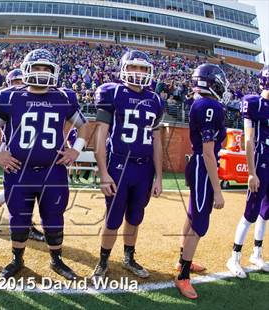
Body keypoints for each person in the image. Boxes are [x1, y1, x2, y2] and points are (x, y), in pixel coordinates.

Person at [0, 49, 89, 279]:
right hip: (19, 171)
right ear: (27, 69)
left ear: (55, 72)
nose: (42, 73)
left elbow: (84, 126)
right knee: (19, 218)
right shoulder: (11, 96)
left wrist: (75, 150)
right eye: (37, 68)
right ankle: (17, 259)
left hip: (52, 171)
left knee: (54, 217)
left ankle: (56, 260)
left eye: (46, 69)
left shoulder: (63, 97)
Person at [91, 50, 164, 281]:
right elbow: (100, 137)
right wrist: (103, 173)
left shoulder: (155, 100)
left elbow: (157, 141)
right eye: (134, 67)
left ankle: (129, 257)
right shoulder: (112, 93)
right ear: (124, 68)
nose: (139, 72)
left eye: (143, 68)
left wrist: (159, 177)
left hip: (144, 170)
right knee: (113, 219)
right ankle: (103, 261)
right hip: (119, 164)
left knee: (135, 217)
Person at [175, 64, 229, 299]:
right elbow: (208, 153)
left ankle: (181, 263)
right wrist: (217, 190)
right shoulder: (210, 106)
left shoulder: (202, 103)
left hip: (198, 164)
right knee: (199, 223)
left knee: (191, 216)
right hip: (203, 167)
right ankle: (183, 276)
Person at [0, 69, 45, 241]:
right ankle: (26, 224)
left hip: (26, 149)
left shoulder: (30, 99)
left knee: (15, 189)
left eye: (22, 81)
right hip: (10, 150)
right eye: (15, 82)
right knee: (20, 188)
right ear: (9, 83)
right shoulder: (7, 98)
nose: (19, 84)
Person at [226, 65, 269, 278]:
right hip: (261, 162)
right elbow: (249, 139)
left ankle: (257, 254)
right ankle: (234, 258)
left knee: (265, 212)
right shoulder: (254, 103)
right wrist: (251, 172)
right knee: (251, 212)